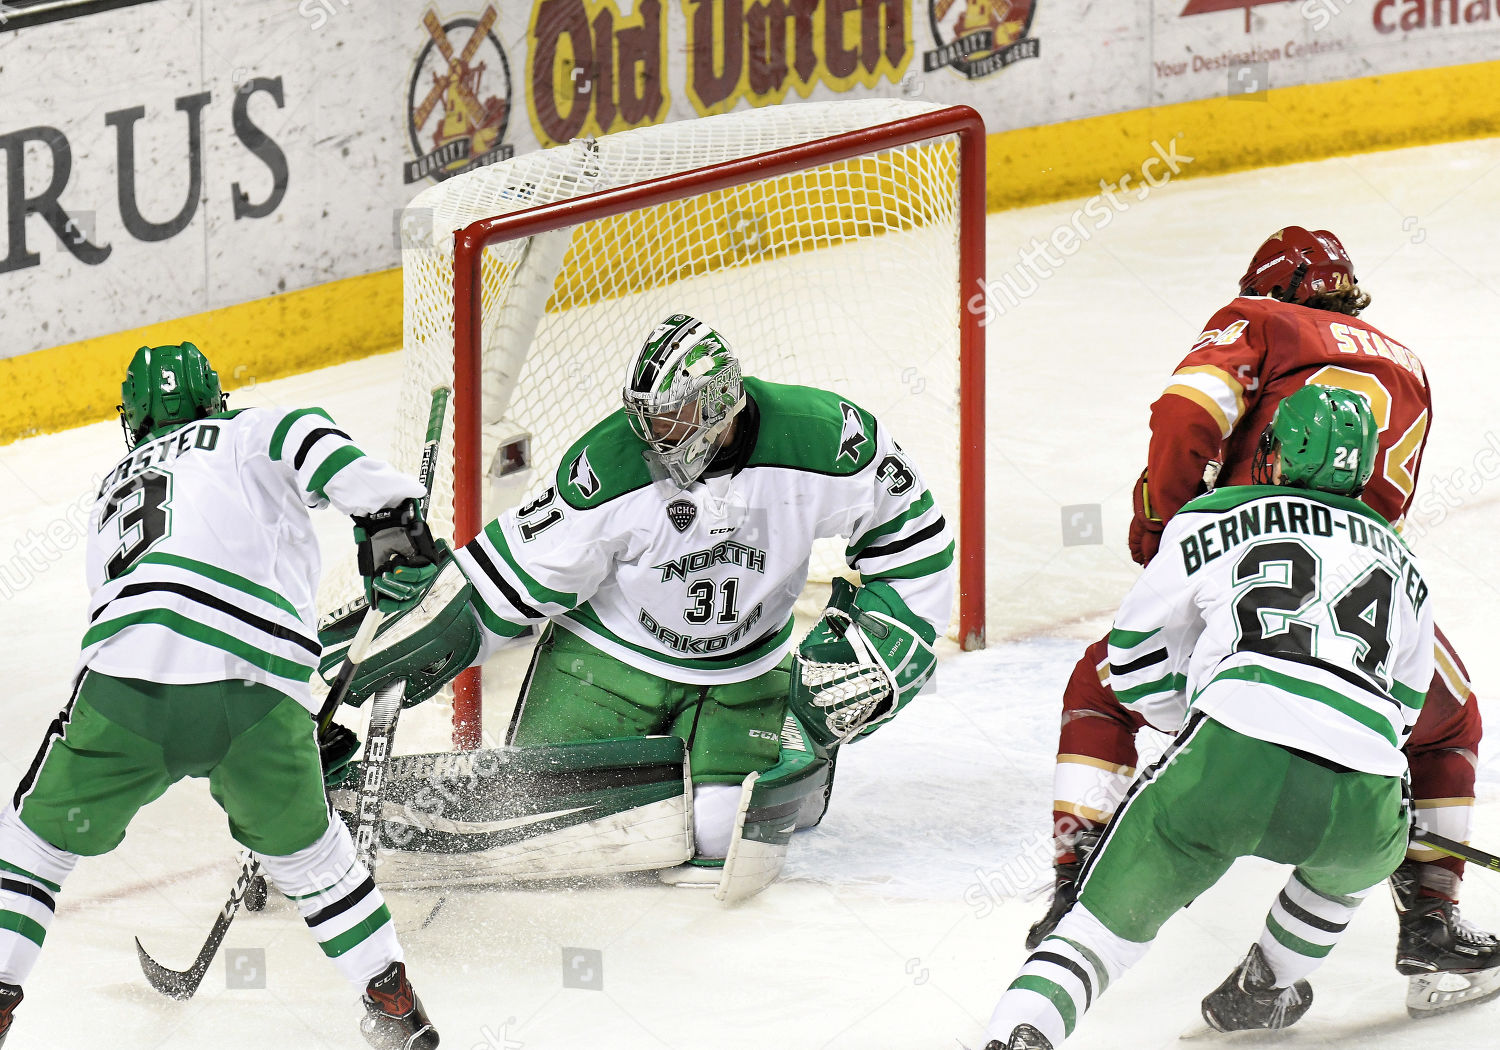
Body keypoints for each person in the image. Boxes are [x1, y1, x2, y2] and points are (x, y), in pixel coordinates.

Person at [1029, 227, 1496, 1015]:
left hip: (1246, 570)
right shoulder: (1410, 363)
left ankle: (1076, 879)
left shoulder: (1264, 320)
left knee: (1102, 684)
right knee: (1447, 726)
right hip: (1361, 593)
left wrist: (1168, 528)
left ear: (1274, 288)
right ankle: (1431, 916)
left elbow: (1184, 419)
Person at [329, 314, 954, 895]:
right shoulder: (609, 465)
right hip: (607, 661)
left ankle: (802, 741)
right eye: (647, 419)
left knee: (714, 836)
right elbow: (505, 581)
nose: (654, 437)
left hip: (743, 673)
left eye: (672, 420)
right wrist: (411, 635)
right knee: (534, 825)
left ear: (718, 406)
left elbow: (913, 537)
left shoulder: (825, 440)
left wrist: (886, 647)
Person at [0, 343, 441, 1049]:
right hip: (257, 694)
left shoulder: (113, 484)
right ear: (213, 396)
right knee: (314, 859)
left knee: (32, 847)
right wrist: (390, 520)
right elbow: (312, 437)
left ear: (134, 417)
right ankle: (394, 1007)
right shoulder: (247, 428)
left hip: (129, 691)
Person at [985, 385, 1431, 1049]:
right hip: (1365, 796)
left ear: (1279, 456)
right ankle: (1268, 984)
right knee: (1347, 873)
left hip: (1225, 761)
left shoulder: (1213, 517)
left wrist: (1194, 720)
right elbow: (1404, 710)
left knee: (1093, 936)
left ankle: (1022, 1034)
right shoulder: (1406, 564)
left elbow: (1131, 654)